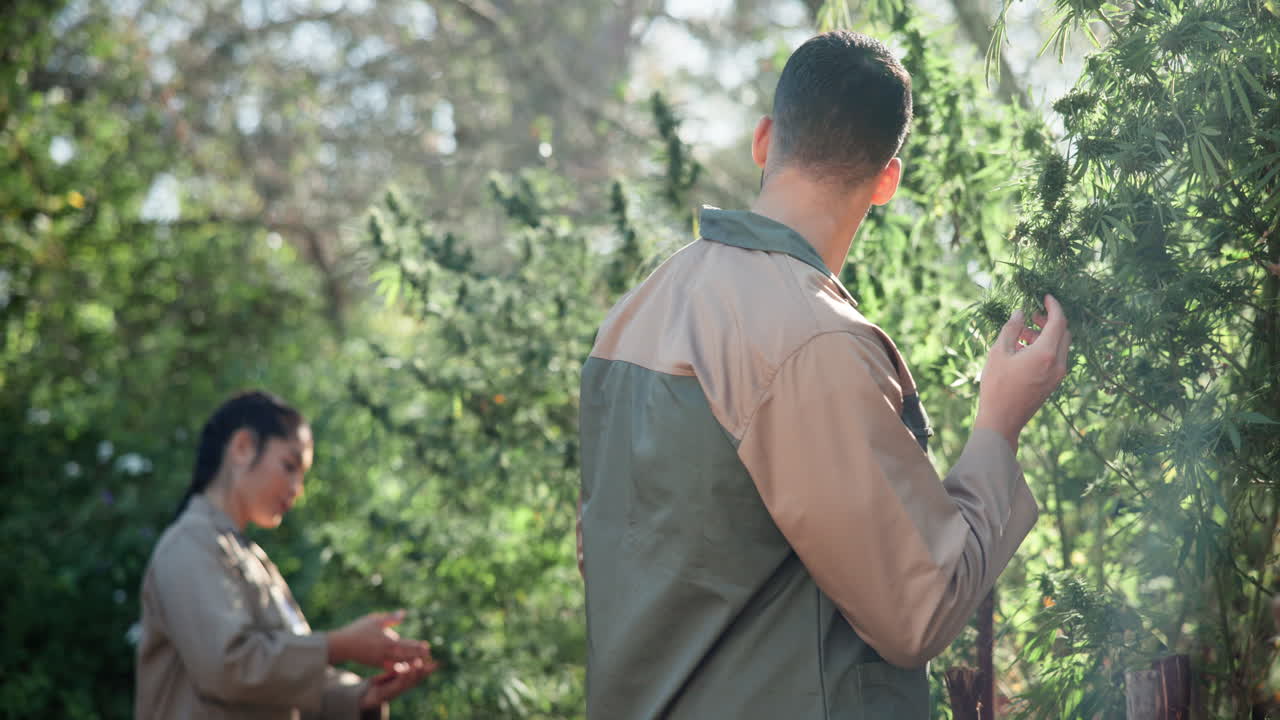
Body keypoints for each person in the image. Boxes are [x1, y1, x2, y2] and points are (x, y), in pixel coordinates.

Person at [576, 30, 1072, 718]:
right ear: (889, 180)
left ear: (763, 139)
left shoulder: (633, 313)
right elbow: (919, 610)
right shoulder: (811, 339)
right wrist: (998, 426)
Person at [135, 390, 438, 719]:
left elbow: (283, 680)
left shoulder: (249, 557)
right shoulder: (190, 544)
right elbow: (227, 668)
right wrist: (339, 645)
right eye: (289, 466)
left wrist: (363, 696)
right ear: (242, 447)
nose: (298, 488)